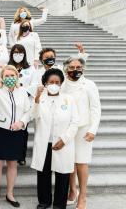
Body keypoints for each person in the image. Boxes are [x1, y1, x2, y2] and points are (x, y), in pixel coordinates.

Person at [32, 68, 79, 209]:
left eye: (57, 82)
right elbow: (34, 116)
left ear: (61, 84)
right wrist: (36, 100)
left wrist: (64, 139)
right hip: (44, 142)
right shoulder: (41, 98)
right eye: (51, 82)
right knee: (43, 174)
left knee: (63, 175)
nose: (54, 84)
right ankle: (44, 201)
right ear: (45, 83)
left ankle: (59, 204)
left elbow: (75, 122)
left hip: (62, 143)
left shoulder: (68, 99)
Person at [0, 65, 31, 208]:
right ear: (2, 77)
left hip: (17, 131)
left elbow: (28, 111)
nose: (10, 78)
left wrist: (22, 122)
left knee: (12, 164)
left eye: (12, 75)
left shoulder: (23, 91)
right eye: (7, 76)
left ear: (17, 77)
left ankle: (10, 193)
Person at [61, 57, 101, 209]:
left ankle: (83, 197)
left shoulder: (89, 85)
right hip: (67, 129)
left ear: (83, 68)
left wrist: (93, 130)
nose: (75, 70)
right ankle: (72, 191)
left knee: (81, 162)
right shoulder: (63, 84)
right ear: (66, 69)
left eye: (78, 67)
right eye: (72, 67)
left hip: (84, 129)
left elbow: (95, 109)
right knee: (69, 162)